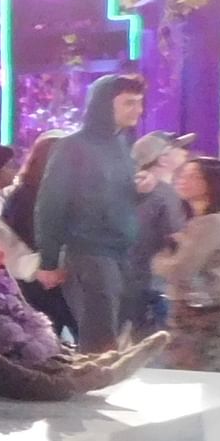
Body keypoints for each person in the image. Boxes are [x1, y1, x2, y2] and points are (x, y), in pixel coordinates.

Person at [32, 73, 146, 351]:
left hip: (120, 253)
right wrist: (48, 261)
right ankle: (94, 390)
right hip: (89, 253)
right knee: (99, 337)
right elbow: (51, 204)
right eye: (129, 103)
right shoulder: (72, 147)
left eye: (139, 103)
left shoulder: (121, 145)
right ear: (105, 106)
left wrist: (144, 189)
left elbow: (120, 198)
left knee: (112, 333)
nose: (138, 110)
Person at [155, 156, 220, 372]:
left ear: (212, 182)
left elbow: (181, 270)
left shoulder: (212, 223)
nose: (183, 180)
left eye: (194, 176)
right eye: (183, 174)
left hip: (205, 314)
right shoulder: (200, 222)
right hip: (199, 311)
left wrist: (159, 260)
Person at [0, 133, 72, 342]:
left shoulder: (28, 194)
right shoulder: (26, 196)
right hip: (38, 278)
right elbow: (27, 237)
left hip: (47, 276)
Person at [130, 131, 192, 333]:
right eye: (179, 148)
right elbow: (178, 239)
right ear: (163, 159)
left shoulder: (134, 189)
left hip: (130, 281)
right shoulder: (166, 194)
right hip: (153, 286)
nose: (185, 152)